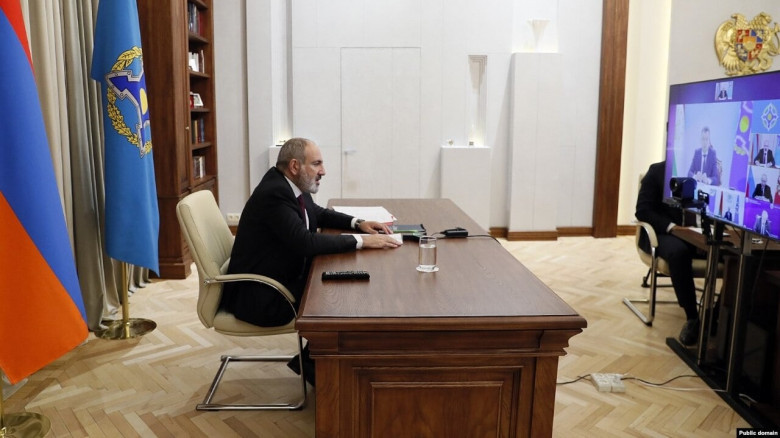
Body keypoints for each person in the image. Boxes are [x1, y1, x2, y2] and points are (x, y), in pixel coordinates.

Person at [220, 137, 401, 384]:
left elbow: (317, 213)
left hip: (277, 276)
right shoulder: (274, 194)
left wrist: (357, 224)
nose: (323, 171)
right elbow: (304, 242)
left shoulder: (288, 185)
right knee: (339, 297)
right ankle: (320, 367)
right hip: (262, 296)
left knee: (342, 283)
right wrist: (362, 241)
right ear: (295, 166)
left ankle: (316, 361)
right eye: (316, 164)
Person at [636, 161, 701, 346]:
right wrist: (673, 228)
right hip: (666, 232)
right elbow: (643, 210)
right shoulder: (659, 171)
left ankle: (718, 315)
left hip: (702, 233)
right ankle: (693, 318)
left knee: (737, 256)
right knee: (679, 253)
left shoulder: (708, 172)